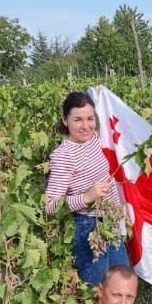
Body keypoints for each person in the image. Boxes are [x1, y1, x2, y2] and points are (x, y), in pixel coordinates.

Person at [46, 91, 129, 286]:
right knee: (96, 287)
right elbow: (50, 206)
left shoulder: (96, 139)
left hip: (111, 221)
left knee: (121, 283)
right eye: (78, 120)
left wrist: (100, 93)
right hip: (88, 227)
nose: (86, 126)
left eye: (90, 119)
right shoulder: (63, 156)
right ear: (65, 120)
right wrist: (87, 197)